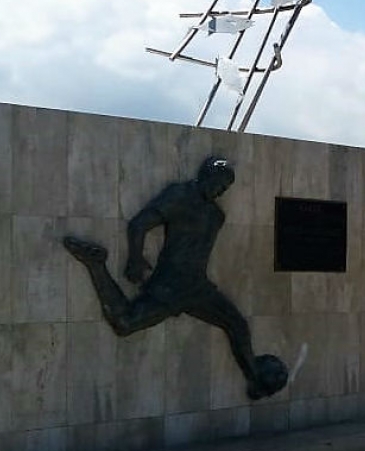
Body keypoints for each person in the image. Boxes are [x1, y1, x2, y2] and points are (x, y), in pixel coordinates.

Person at [62, 156, 289, 400]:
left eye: (225, 188)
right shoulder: (179, 195)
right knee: (125, 323)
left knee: (237, 324)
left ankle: (256, 379)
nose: (220, 191)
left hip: (197, 287)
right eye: (218, 183)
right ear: (205, 175)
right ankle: (96, 265)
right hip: (170, 286)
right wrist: (135, 259)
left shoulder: (215, 215)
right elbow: (139, 224)